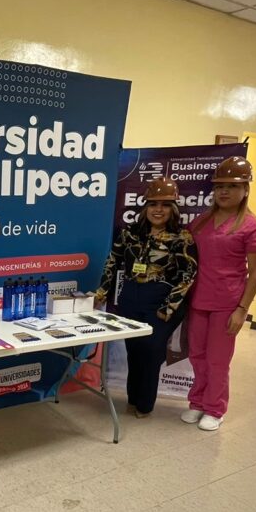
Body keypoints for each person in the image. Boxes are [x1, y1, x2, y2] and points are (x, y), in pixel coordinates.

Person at [181, 156, 256, 431]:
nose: (224, 191)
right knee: (197, 355)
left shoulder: (251, 225)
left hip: (227, 304)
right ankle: (197, 402)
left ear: (245, 189)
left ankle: (215, 409)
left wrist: (242, 309)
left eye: (232, 186)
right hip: (198, 301)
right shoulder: (201, 222)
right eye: (219, 186)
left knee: (218, 360)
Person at [97, 177, 197, 418]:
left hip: (162, 300)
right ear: (145, 207)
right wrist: (101, 292)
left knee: (152, 351)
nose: (158, 210)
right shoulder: (130, 233)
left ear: (173, 208)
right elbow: (112, 262)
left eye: (165, 204)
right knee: (134, 349)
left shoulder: (182, 237)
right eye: (153, 204)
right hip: (131, 297)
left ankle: (145, 404)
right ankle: (133, 398)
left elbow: (188, 274)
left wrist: (169, 307)